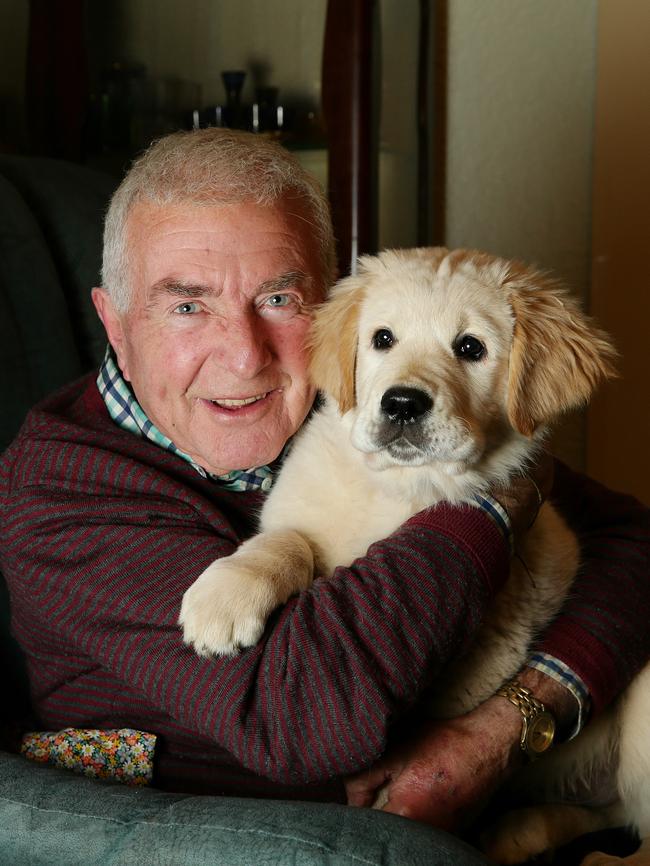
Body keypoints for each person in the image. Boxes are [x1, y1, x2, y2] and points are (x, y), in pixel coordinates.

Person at [1, 128, 648, 848]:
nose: (245, 356)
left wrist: (518, 717)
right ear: (116, 326)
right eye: (186, 306)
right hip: (231, 840)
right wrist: (492, 508)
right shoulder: (60, 493)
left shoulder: (348, 398)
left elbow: (636, 541)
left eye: (279, 297)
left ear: (325, 307)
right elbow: (306, 721)